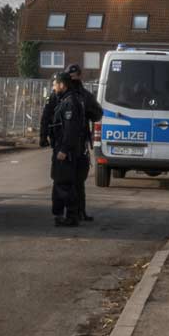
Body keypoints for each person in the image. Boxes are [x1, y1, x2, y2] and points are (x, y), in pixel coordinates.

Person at [42, 66, 101, 227]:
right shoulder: (61, 98)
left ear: (63, 84)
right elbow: (47, 115)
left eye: (56, 84)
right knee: (64, 182)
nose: (54, 87)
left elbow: (72, 128)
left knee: (68, 183)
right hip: (67, 146)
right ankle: (65, 214)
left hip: (71, 147)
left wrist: (64, 149)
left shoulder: (75, 99)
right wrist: (43, 137)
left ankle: (73, 215)